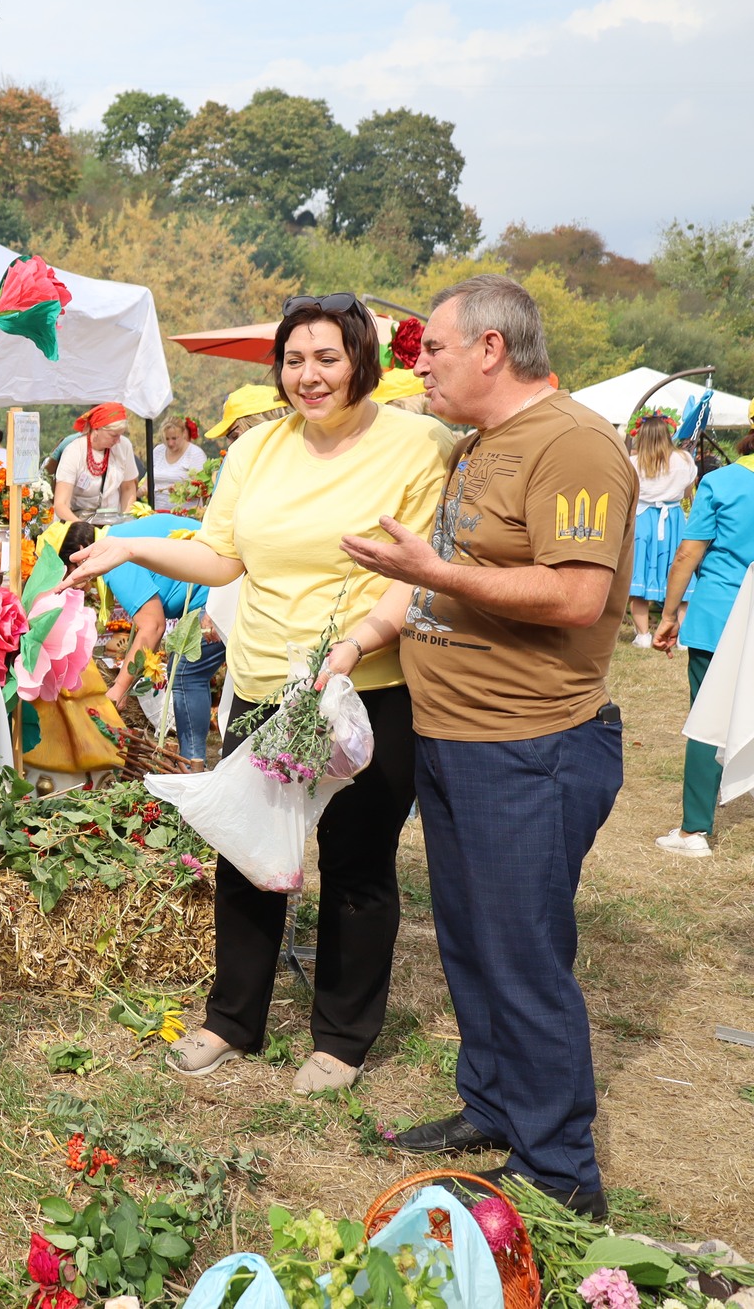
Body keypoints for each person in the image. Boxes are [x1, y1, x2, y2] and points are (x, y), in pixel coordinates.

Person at [68, 293, 455, 1095]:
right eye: (294, 360)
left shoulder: (419, 443)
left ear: (361, 362)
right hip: (261, 687)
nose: (307, 376)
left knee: (357, 865)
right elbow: (218, 557)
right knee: (247, 853)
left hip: (362, 692)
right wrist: (124, 544)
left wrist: (353, 647)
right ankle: (231, 1020)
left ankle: (341, 1040)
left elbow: (412, 579)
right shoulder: (258, 451)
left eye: (326, 358)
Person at [342, 274, 634, 1219]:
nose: (417, 363)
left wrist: (432, 568)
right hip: (457, 741)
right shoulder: (478, 447)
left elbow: (579, 596)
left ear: (491, 351)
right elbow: (443, 585)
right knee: (472, 944)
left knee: (522, 955)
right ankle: (494, 1107)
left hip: (531, 747)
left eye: (432, 348)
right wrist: (367, 632)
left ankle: (559, 1174)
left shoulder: (575, 445)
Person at [651, 429, 754, 856]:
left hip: (721, 614)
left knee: (709, 718)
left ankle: (694, 830)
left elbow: (687, 555)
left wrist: (669, 614)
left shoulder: (723, 481)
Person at [58, 515, 226, 766]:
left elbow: (153, 626)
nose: (75, 584)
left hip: (222, 589)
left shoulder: (113, 558)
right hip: (221, 580)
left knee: (184, 673)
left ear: (81, 553)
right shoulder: (117, 538)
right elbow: (149, 629)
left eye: (71, 573)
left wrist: (119, 688)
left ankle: (193, 766)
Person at [625, 413, 698, 648]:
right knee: (681, 572)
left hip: (642, 520)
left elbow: (629, 494)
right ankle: (683, 636)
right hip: (674, 520)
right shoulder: (684, 460)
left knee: (640, 573)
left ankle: (643, 635)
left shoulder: (633, 462)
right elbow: (687, 493)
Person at [51, 403, 139, 522]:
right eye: (113, 435)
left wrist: (126, 520)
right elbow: (61, 504)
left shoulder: (124, 446)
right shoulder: (74, 450)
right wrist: (83, 528)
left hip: (112, 522)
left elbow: (128, 488)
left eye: (120, 435)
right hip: (76, 523)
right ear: (97, 429)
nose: (118, 441)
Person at [151, 418, 207, 512]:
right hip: (158, 512)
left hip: (185, 513)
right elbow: (148, 480)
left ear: (184, 433)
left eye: (174, 438)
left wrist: (181, 490)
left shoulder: (195, 454)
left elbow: (202, 489)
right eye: (166, 439)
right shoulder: (158, 451)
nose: (170, 443)